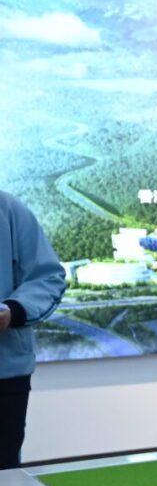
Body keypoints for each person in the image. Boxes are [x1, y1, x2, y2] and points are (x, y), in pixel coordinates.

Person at [0, 190, 67, 469]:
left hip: (5, 373)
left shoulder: (7, 209)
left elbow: (48, 277)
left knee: (4, 477)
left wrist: (13, 311)